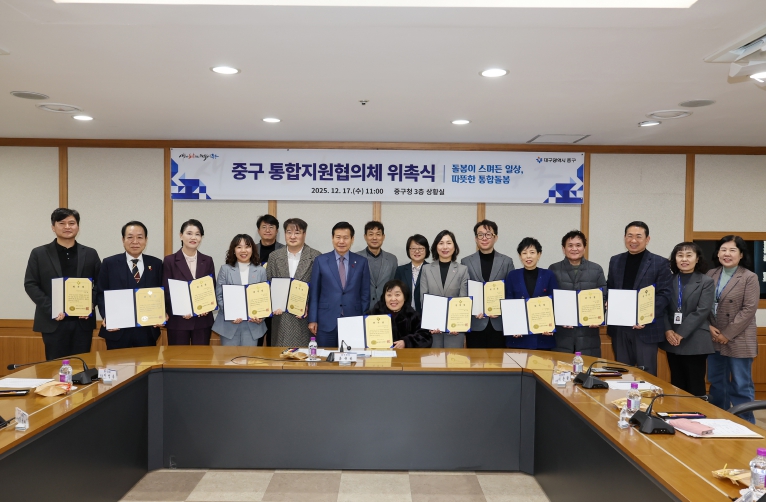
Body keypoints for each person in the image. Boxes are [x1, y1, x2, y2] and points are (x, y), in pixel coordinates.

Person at [24, 208, 101, 360]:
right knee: (55, 367)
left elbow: (100, 283)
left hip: (82, 322)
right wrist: (52, 308)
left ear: (78, 227)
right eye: (61, 223)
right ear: (53, 227)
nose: (67, 227)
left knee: (81, 365)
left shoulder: (90, 253)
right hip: (53, 322)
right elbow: (31, 284)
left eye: (71, 223)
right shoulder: (39, 253)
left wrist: (90, 304)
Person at [606, 221, 672, 376]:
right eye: (630, 236)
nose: (633, 240)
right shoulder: (615, 260)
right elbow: (610, 287)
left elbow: (664, 294)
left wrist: (645, 316)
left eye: (638, 236)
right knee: (622, 373)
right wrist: (608, 300)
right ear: (624, 238)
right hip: (620, 327)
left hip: (646, 328)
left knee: (646, 375)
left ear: (647, 239)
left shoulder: (660, 262)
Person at [706, 235, 760, 424]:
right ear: (718, 253)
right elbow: (702, 304)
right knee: (716, 382)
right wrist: (708, 327)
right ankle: (718, 422)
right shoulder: (711, 274)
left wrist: (727, 334)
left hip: (739, 338)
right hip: (714, 337)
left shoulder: (749, 277)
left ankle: (746, 425)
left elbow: (749, 309)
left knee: (741, 385)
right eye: (723, 249)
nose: (726, 254)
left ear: (741, 254)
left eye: (732, 250)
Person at [96, 221, 164, 349]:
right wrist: (108, 316)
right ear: (123, 240)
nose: (135, 241)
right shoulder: (109, 263)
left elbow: (161, 293)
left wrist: (162, 312)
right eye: (130, 237)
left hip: (147, 330)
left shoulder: (156, 264)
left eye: (140, 237)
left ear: (146, 240)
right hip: (117, 330)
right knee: (117, 362)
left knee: (147, 361)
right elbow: (101, 293)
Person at [659, 242, 714, 397]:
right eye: (680, 255)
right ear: (674, 259)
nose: (684, 259)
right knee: (677, 383)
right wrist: (668, 330)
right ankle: (677, 413)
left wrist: (680, 333)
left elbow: (702, 310)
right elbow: (662, 308)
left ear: (697, 259)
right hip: (671, 339)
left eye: (689, 255)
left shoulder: (706, 281)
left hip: (695, 339)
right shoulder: (668, 280)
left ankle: (698, 412)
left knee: (695, 384)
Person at [308, 222, 370, 347]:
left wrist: (363, 319)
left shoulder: (361, 262)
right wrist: (312, 319)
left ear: (352, 239)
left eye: (346, 237)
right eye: (338, 237)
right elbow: (314, 293)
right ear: (332, 238)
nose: (341, 241)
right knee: (325, 356)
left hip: (353, 320)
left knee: (352, 357)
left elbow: (365, 293)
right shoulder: (321, 261)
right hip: (326, 321)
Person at [548, 230, 606, 356]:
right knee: (561, 367)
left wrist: (599, 316)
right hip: (562, 335)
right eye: (570, 245)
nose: (574, 249)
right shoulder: (554, 269)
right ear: (563, 249)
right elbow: (549, 299)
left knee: (587, 367)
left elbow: (603, 297)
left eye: (578, 245)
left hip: (588, 335)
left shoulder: (596, 269)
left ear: (584, 248)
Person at [266, 218, 322, 347]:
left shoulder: (316, 256)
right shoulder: (274, 256)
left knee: (304, 355)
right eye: (289, 232)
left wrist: (309, 306)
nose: (292, 236)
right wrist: (271, 305)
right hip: (280, 317)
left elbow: (320, 289)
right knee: (280, 355)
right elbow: (268, 284)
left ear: (304, 234)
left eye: (297, 233)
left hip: (304, 317)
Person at [461, 220, 515, 348]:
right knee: (475, 359)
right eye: (480, 235)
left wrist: (502, 310)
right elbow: (464, 291)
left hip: (499, 323)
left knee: (498, 360)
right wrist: (471, 309)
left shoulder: (506, 261)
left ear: (495, 237)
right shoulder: (466, 262)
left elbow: (511, 291)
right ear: (476, 238)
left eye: (488, 234)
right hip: (475, 322)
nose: (484, 238)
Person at [162, 219, 216, 345]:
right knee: (177, 356)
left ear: (201, 238)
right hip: (178, 320)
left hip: (202, 320)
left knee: (201, 356)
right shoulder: (170, 260)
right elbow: (166, 290)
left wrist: (207, 306)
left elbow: (211, 288)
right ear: (181, 236)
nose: (193, 237)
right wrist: (183, 308)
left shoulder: (207, 260)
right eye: (189, 233)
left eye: (197, 234)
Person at [504, 237, 559, 350]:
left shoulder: (548, 275)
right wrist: (513, 327)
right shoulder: (512, 275)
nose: (528, 256)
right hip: (518, 338)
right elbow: (509, 303)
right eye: (524, 253)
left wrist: (550, 325)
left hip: (543, 338)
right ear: (520, 256)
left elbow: (555, 302)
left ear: (539, 255)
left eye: (532, 252)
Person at [212, 234, 267, 346]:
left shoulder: (260, 271)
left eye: (247, 246)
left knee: (249, 356)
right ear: (233, 250)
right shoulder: (225, 269)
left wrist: (261, 316)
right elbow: (219, 296)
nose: (243, 250)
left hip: (252, 325)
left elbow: (265, 297)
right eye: (239, 247)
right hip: (229, 325)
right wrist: (230, 314)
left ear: (252, 249)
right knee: (229, 356)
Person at [419, 230, 469, 348]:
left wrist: (457, 324)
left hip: (455, 329)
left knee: (454, 358)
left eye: (449, 243)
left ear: (454, 247)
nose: (445, 247)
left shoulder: (462, 270)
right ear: (436, 247)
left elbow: (463, 299)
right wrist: (431, 322)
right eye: (441, 243)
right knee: (434, 358)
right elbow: (423, 298)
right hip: (433, 328)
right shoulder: (426, 269)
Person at [366, 279, 432, 348]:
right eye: (389, 295)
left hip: (405, 354)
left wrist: (406, 342)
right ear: (384, 297)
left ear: (405, 297)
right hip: (380, 354)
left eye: (397, 295)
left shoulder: (413, 316)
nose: (393, 299)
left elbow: (426, 337)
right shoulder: (372, 315)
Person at [255, 214, 284, 346]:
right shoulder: (250, 250)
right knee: (256, 343)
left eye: (271, 227)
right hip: (257, 302)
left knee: (275, 341)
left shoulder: (284, 251)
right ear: (258, 230)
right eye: (264, 227)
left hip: (277, 305)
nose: (267, 230)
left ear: (277, 231)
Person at [362, 221, 398, 310]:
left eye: (378, 234)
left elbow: (393, 284)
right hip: (362, 308)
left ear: (383, 237)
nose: (374, 238)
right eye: (371, 234)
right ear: (365, 237)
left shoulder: (392, 259)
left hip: (385, 308)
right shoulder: (356, 258)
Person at [394, 234, 429, 314]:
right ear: (408, 250)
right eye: (413, 248)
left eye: (420, 248)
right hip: (404, 314)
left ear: (426, 250)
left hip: (425, 314)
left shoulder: (431, 270)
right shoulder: (400, 270)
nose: (417, 251)